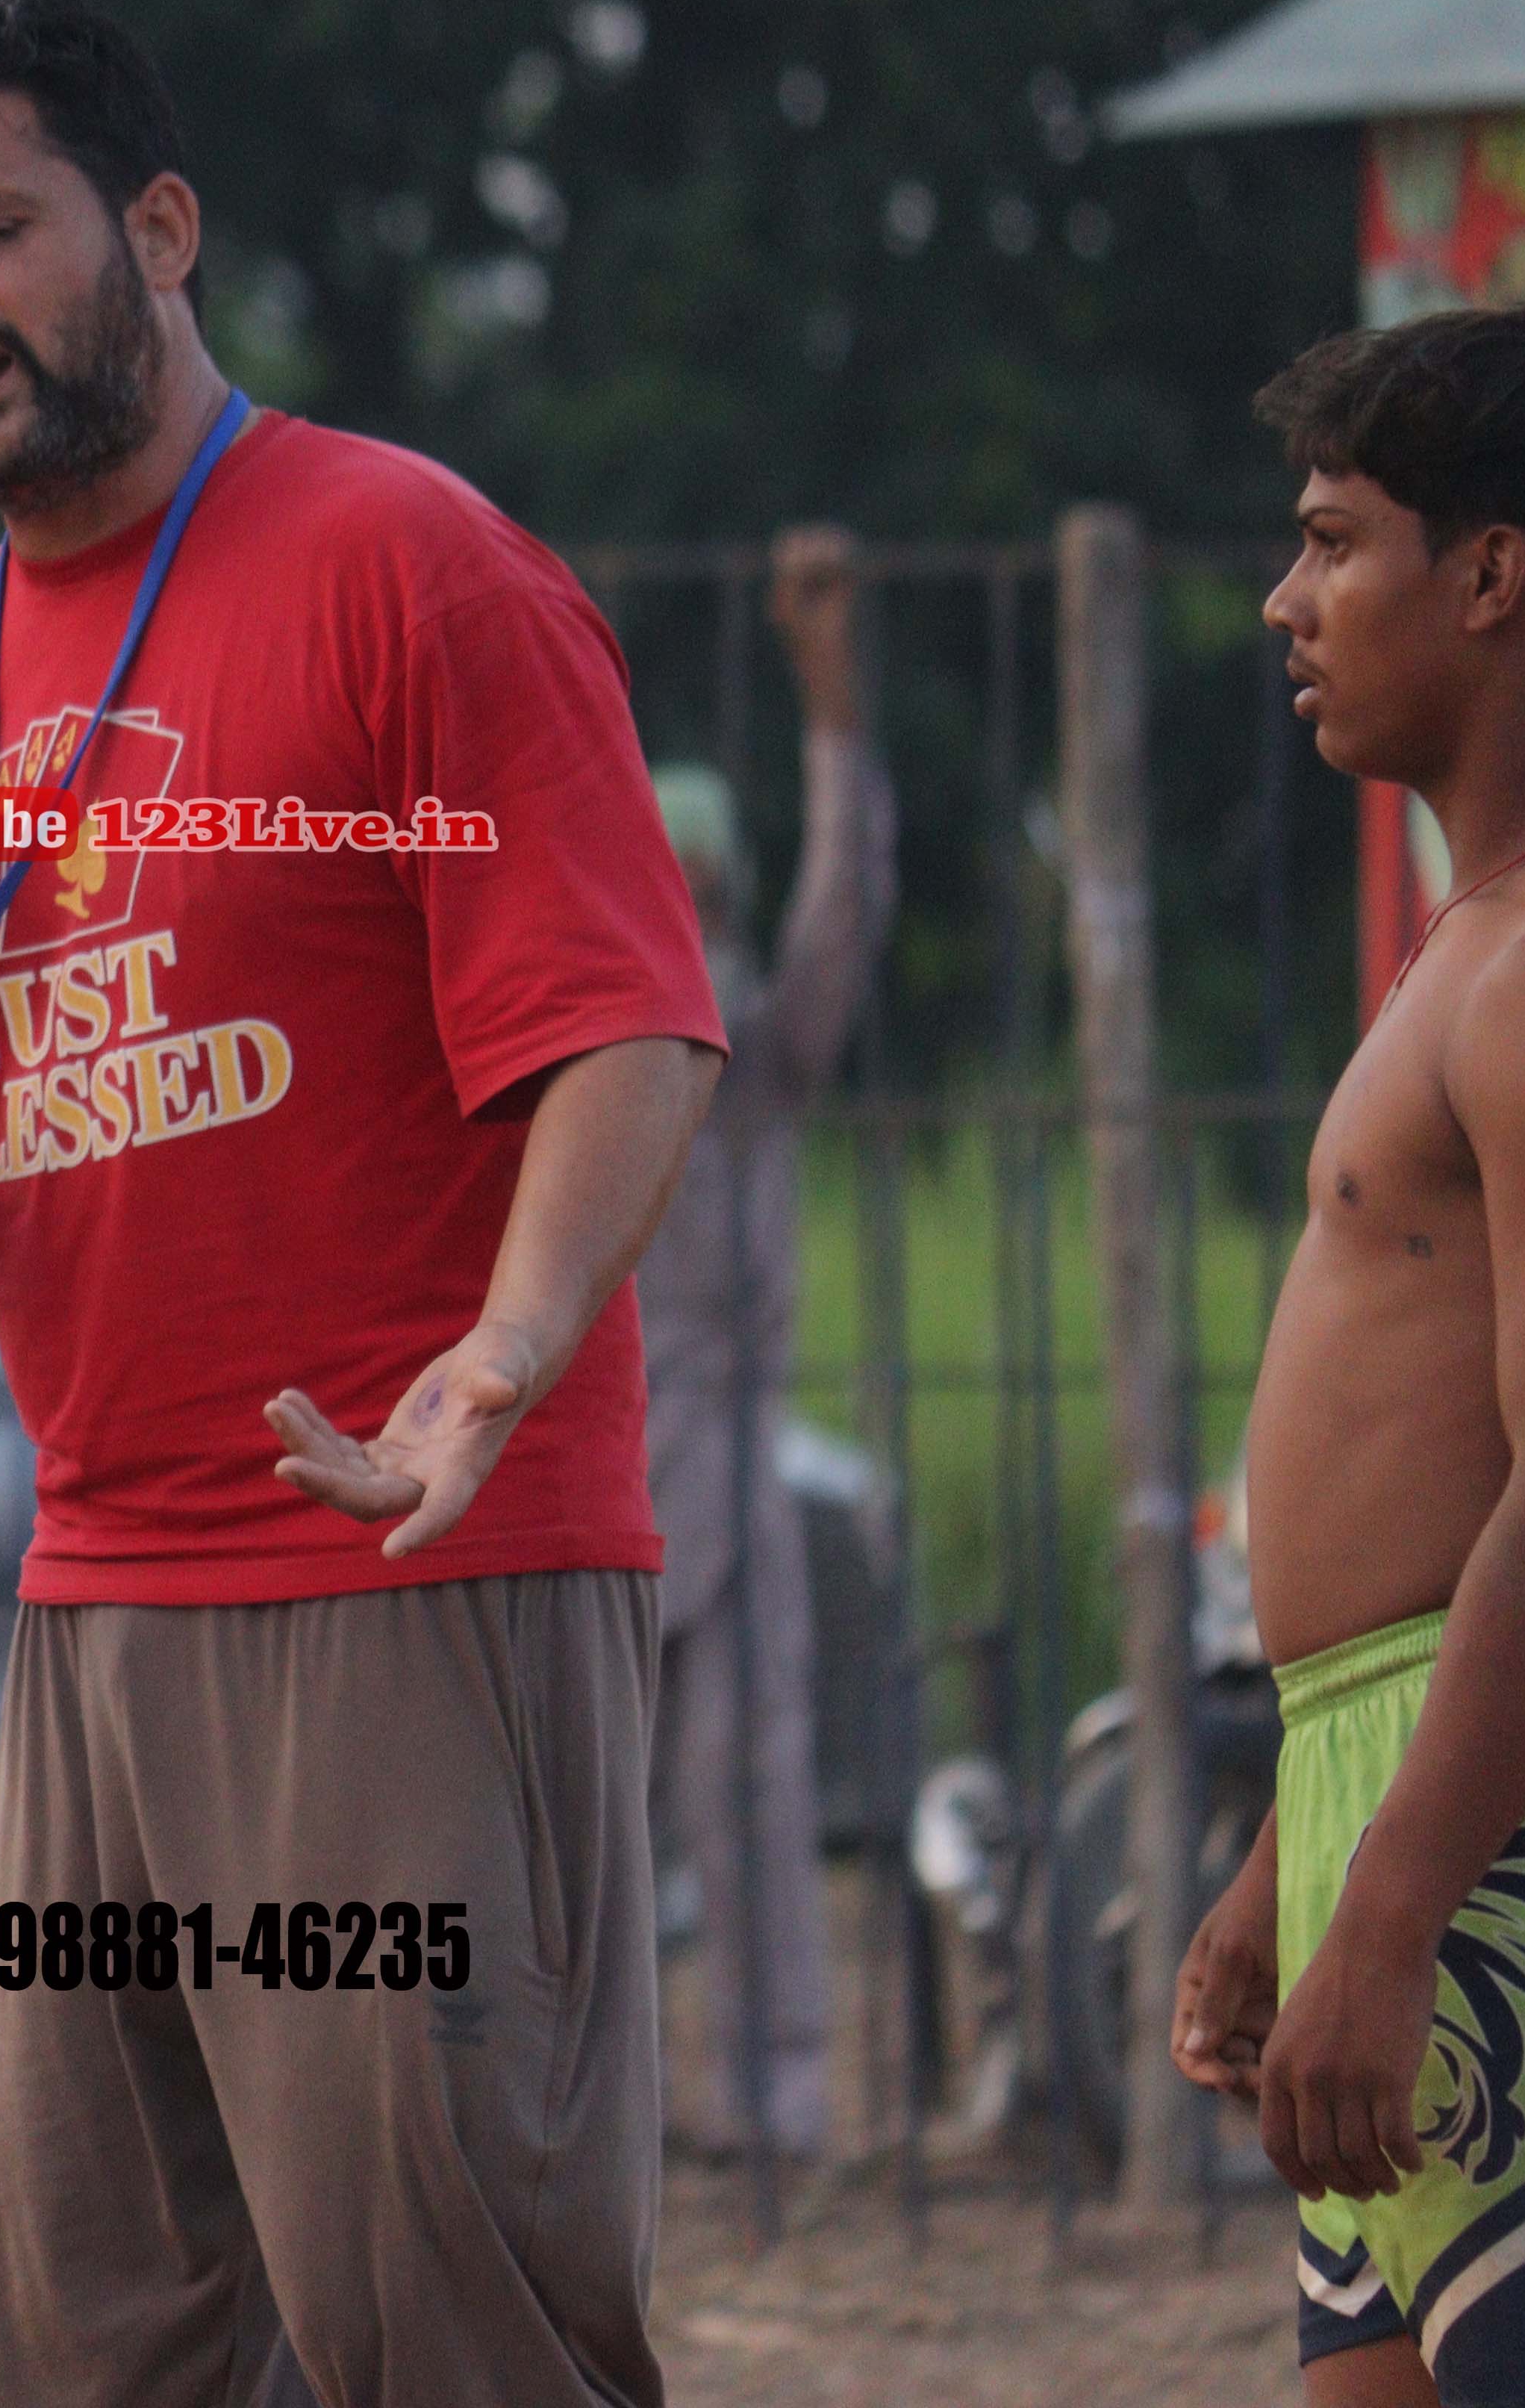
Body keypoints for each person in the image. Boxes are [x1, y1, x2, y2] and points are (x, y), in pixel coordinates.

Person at [0, 0, 723, 2408]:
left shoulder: (408, 561)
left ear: (157, 229)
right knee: (98, 2352)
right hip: (97, 1596)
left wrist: (498, 1362)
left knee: (451, 2332)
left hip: (407, 1561)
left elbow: (632, 1027)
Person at [1170, 305, 1525, 2408]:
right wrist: (1295, 1860)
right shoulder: (1483, 945)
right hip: (1398, 1805)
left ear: (1492, 575)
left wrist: (1388, 1912)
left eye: (1333, 541)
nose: (1287, 603)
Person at [632, 526, 896, 2160]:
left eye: (714, 886)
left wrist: (832, 696)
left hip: (728, 1466)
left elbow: (846, 905)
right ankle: (583, 2113)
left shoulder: (760, 1044)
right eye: (680, 884)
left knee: (753, 1793)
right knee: (577, 1821)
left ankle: (773, 2099)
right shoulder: (582, 1041)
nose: (702, 907)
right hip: (589, 1461)